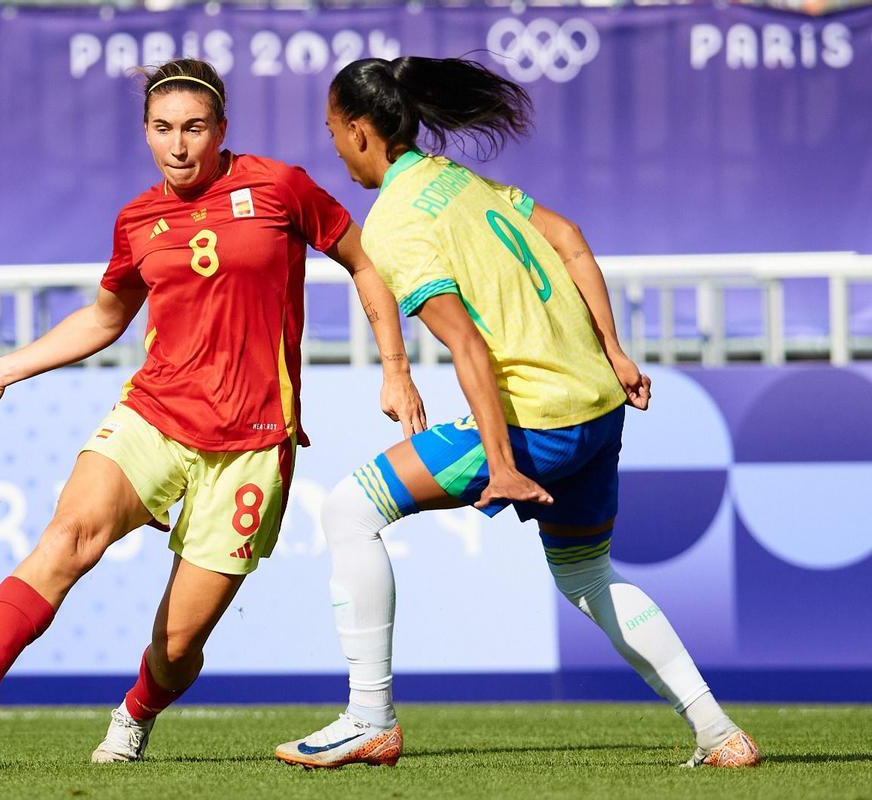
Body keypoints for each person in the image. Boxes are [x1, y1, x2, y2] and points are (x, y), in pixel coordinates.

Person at [274, 56, 760, 770]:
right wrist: (616, 353)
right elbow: (570, 240)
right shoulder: (459, 180)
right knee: (588, 577)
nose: (334, 147)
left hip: (534, 422)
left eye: (332, 131)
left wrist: (499, 463)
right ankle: (720, 734)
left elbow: (467, 344)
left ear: (358, 131)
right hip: (596, 405)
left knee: (348, 511)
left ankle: (368, 719)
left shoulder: (396, 221)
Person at [0, 58, 425, 763]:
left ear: (221, 130)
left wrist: (395, 370)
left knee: (176, 647)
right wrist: (5, 370)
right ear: (145, 134)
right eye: (164, 129)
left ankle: (135, 715)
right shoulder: (138, 219)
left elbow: (364, 261)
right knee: (72, 533)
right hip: (155, 416)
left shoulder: (279, 187)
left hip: (254, 443)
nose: (179, 145)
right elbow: (104, 319)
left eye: (194, 128)